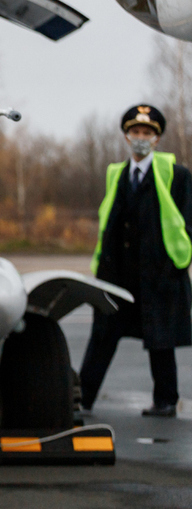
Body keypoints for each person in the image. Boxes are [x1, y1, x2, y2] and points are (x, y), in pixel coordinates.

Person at [81, 104, 192, 417]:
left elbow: (186, 220)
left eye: (147, 133)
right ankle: (82, 397)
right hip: (119, 275)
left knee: (160, 339)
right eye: (136, 132)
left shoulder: (176, 174)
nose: (141, 137)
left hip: (158, 274)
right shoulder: (117, 174)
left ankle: (166, 400)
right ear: (127, 136)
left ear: (156, 139)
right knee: (103, 335)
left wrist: (176, 265)